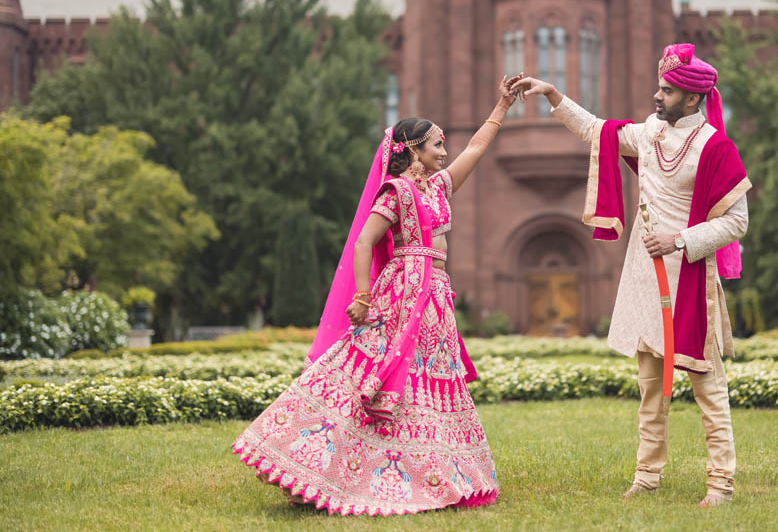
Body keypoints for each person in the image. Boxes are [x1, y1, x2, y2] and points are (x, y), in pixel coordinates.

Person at [232, 73, 523, 515]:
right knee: (367, 374)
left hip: (436, 295)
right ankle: (303, 459)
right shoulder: (398, 190)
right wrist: (364, 296)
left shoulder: (440, 187)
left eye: (444, 145)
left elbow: (478, 149)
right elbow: (365, 242)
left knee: (427, 381)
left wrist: (502, 107)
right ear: (411, 150)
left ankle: (433, 473)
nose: (445, 153)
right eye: (436, 145)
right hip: (403, 292)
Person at [510, 44, 749, 507]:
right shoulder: (650, 133)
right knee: (649, 387)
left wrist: (679, 239)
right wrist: (553, 96)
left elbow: (736, 223)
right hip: (645, 278)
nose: (657, 97)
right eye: (659, 88)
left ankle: (720, 484)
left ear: (694, 99)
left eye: (667, 91)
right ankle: (647, 475)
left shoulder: (716, 148)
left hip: (690, 280)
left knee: (708, 387)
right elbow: (596, 131)